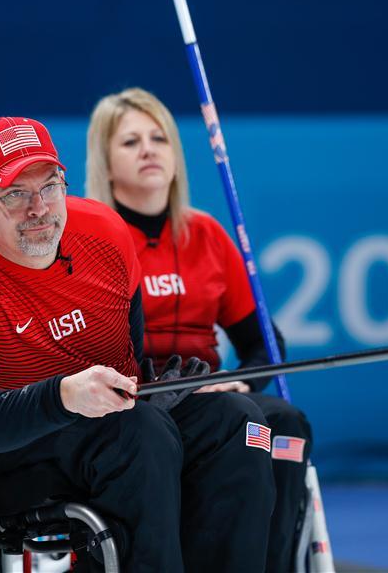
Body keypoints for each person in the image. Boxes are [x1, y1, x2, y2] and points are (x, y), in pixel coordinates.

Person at [0, 115, 275, 572]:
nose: (39, 208)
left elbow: (132, 363)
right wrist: (63, 396)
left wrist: (169, 394)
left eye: (49, 187)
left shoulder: (106, 232)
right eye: (17, 194)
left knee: (237, 421)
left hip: (104, 429)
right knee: (137, 434)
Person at [86, 87, 314, 573]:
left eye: (159, 138)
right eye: (130, 142)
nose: (149, 149)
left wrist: (243, 380)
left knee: (284, 424)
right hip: (138, 398)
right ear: (105, 164)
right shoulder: (94, 239)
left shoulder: (206, 234)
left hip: (212, 393)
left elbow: (264, 343)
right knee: (234, 417)